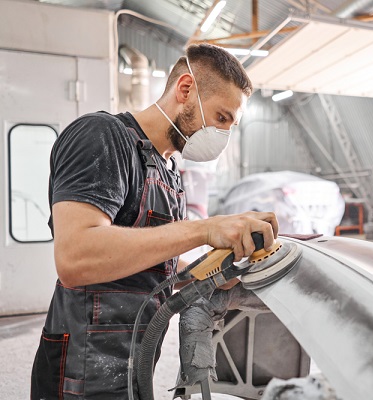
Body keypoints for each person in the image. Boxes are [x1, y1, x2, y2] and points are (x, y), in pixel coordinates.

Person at [30, 43, 278, 399]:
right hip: (79, 374)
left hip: (133, 365)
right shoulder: (102, 136)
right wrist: (204, 229)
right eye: (222, 118)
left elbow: (152, 266)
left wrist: (211, 274)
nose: (223, 135)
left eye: (231, 126)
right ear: (186, 89)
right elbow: (75, 256)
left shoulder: (169, 172)